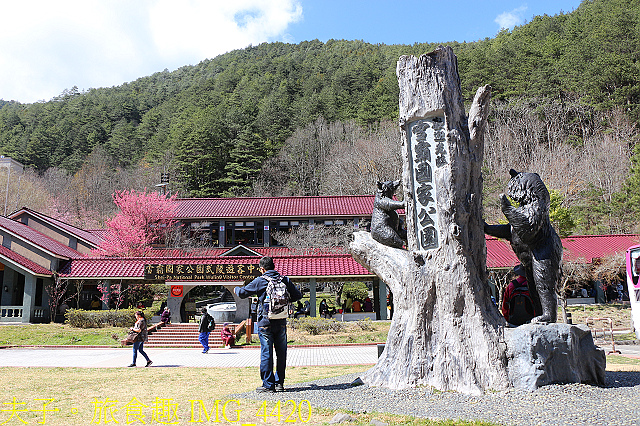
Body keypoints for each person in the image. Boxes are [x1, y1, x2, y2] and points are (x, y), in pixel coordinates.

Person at [234, 256, 302, 393]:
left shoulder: (260, 281)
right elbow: (297, 296)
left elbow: (242, 293)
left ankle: (268, 384)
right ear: (274, 266)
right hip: (281, 321)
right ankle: (279, 383)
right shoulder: (285, 280)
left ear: (262, 269)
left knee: (267, 352)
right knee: (281, 353)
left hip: (265, 322)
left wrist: (236, 288)